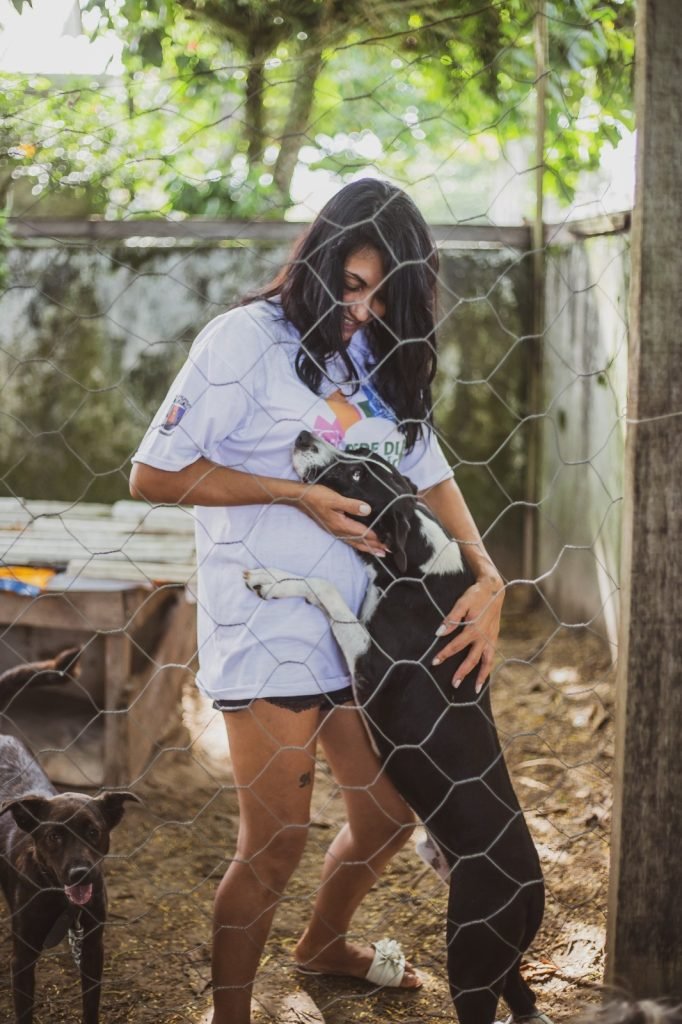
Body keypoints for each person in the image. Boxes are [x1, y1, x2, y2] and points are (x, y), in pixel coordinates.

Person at [129, 178, 505, 1024]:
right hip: (267, 622)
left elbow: (426, 467)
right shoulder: (243, 339)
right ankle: (230, 1016)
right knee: (274, 846)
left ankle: (323, 944)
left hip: (366, 629)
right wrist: (292, 496)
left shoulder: (375, 348)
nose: (364, 307)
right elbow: (151, 473)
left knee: (389, 815)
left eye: (384, 291)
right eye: (351, 284)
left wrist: (488, 576)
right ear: (317, 259)